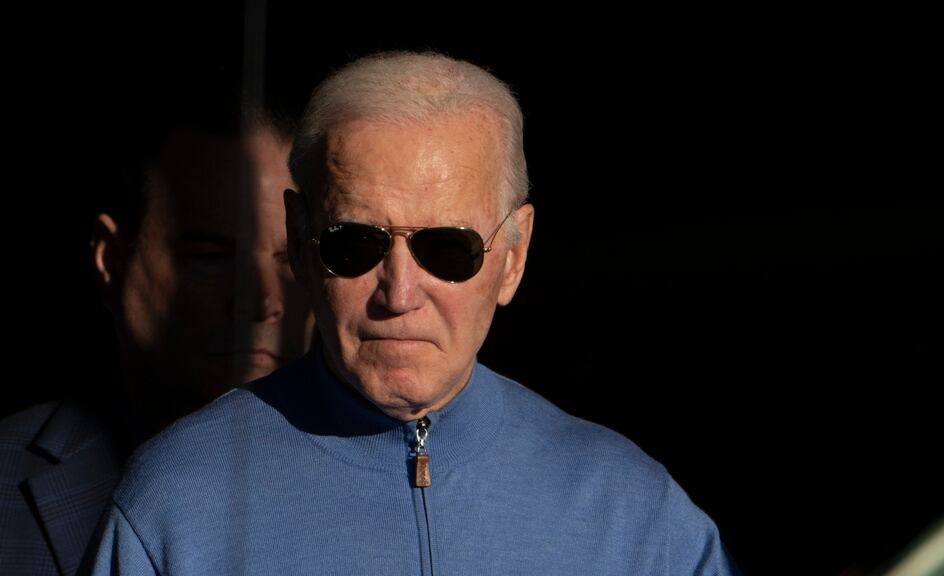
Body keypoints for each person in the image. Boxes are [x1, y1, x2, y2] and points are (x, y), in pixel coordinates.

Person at [83, 51, 737, 575]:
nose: (398, 294)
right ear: (303, 241)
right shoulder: (176, 504)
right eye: (356, 243)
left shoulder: (635, 514)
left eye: (447, 249)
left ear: (513, 255)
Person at [0, 77, 313, 574]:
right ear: (111, 259)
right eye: (211, 257)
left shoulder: (387, 481)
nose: (263, 302)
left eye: (291, 259)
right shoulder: (6, 481)